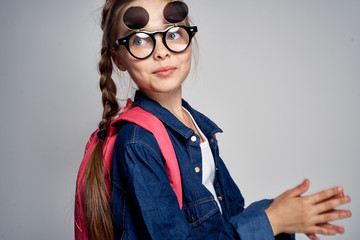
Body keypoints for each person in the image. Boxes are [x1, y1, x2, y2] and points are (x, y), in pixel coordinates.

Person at [78, 0, 352, 239]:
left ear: (189, 38)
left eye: (173, 33)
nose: (161, 51)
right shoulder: (138, 144)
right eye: (140, 40)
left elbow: (228, 218)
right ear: (119, 58)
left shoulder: (196, 126)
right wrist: (272, 221)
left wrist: (284, 214)